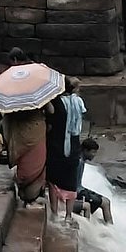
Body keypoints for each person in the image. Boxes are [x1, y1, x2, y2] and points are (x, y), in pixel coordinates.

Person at [45, 83, 84, 222]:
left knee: (53, 181)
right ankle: (68, 216)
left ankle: (54, 213)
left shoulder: (55, 102)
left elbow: (50, 115)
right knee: (71, 181)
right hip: (73, 146)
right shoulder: (78, 102)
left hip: (56, 146)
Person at [3, 103, 50, 205]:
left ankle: (24, 190)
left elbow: (7, 120)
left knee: (25, 161)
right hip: (36, 131)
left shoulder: (13, 100)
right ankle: (30, 195)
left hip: (20, 133)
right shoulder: (39, 97)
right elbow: (51, 110)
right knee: (36, 161)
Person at [74, 138, 113, 224]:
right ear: (85, 150)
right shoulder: (79, 162)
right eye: (93, 152)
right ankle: (110, 227)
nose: (94, 155)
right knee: (105, 203)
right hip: (77, 191)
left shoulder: (81, 160)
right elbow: (73, 184)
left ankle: (110, 229)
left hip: (80, 189)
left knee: (106, 202)